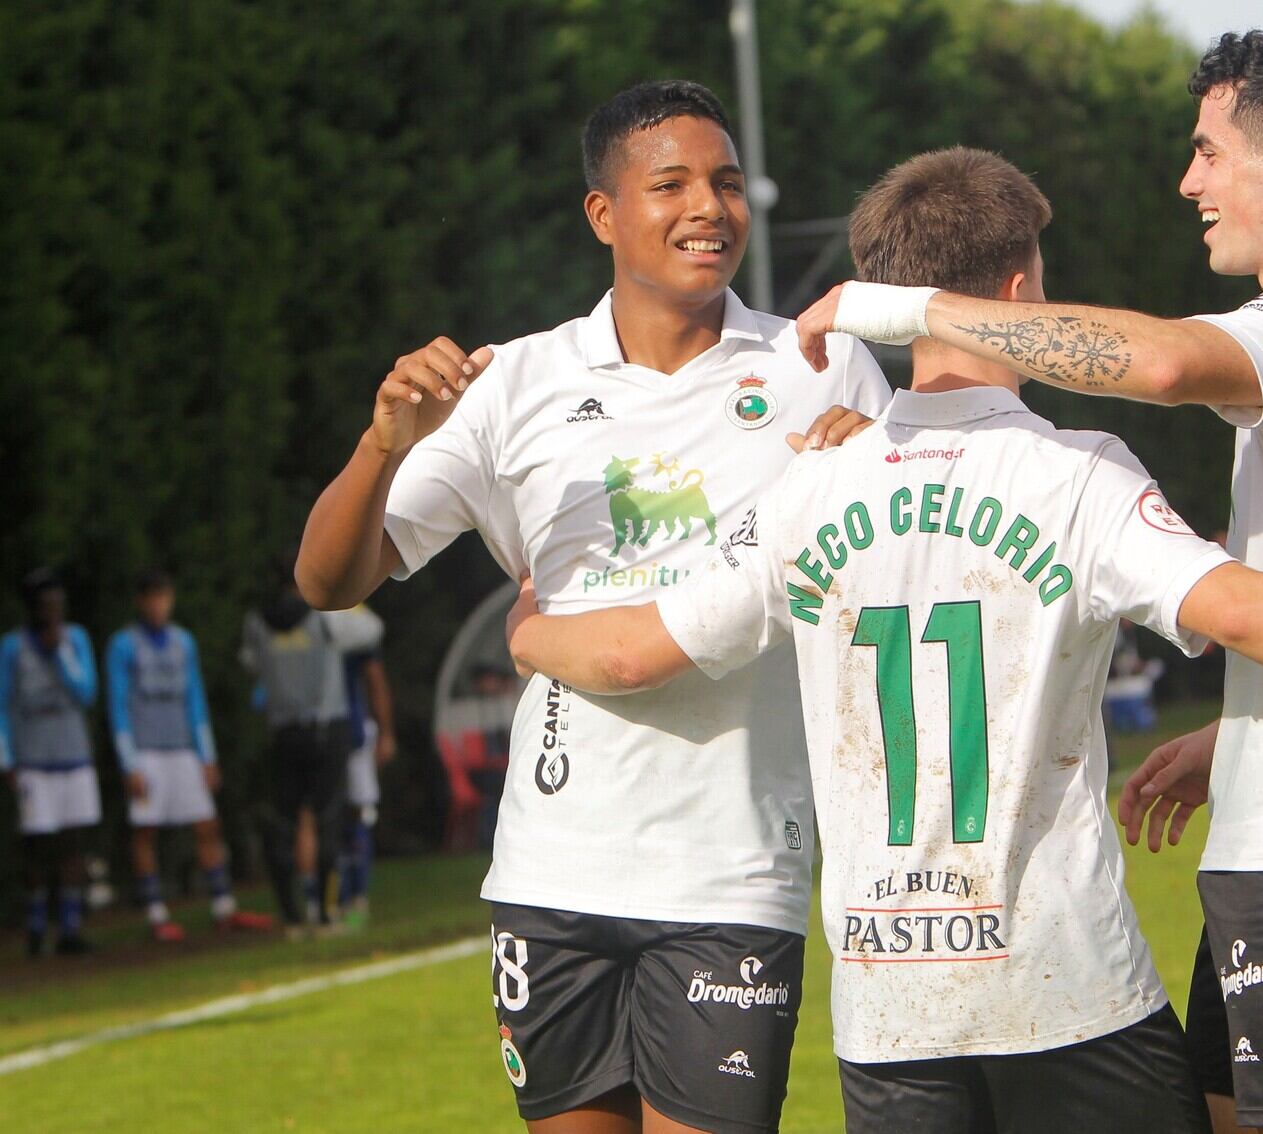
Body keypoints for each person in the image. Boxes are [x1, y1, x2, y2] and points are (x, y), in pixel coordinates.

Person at [503, 147, 1263, 1134]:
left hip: (888, 1016)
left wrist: (533, 632)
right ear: (1020, 290)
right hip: (1066, 989)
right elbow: (1238, 607)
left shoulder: (805, 493)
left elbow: (630, 655)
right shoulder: (1077, 471)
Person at [794, 29, 1263, 1134]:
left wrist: (904, 309)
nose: (1187, 181)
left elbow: (1168, 365)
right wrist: (1245, 727)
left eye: (1205, 152)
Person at [293, 80, 890, 1132]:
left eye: (726, 182)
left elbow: (888, 567)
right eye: (671, 184)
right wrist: (384, 441)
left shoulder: (819, 362)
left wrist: (868, 476)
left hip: (733, 871)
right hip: (552, 869)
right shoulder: (510, 384)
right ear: (602, 214)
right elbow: (327, 579)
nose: (709, 208)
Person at [106, 569, 273, 941]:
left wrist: (206, 755)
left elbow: (195, 699)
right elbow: (117, 706)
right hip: (147, 751)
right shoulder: (123, 645)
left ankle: (223, 906)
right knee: (146, 831)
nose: (158, 604)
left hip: (182, 749)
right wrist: (129, 762)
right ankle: (155, 911)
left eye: (163, 595)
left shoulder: (183, 642)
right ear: (140, 601)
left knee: (206, 824)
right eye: (151, 596)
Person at [242, 567, 382, 936]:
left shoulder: (258, 623)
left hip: (283, 732)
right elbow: (371, 629)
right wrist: (336, 594)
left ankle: (290, 915)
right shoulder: (324, 618)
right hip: (325, 729)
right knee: (327, 820)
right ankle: (324, 912)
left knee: (286, 823)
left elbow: (251, 663)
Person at [1, 569, 100, 957]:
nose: (53, 611)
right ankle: (36, 926)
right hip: (33, 762)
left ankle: (71, 927)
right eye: (46, 605)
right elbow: (5, 705)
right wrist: (8, 758)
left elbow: (86, 692)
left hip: (74, 756)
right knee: (37, 845)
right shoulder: (12, 647)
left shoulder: (75, 640)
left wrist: (59, 652)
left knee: (73, 843)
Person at [337, 607, 395, 930]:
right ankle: (341, 898)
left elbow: (375, 680)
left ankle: (355, 897)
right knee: (341, 818)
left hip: (353, 733)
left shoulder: (354, 618)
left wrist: (385, 731)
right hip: (333, 733)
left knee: (356, 815)